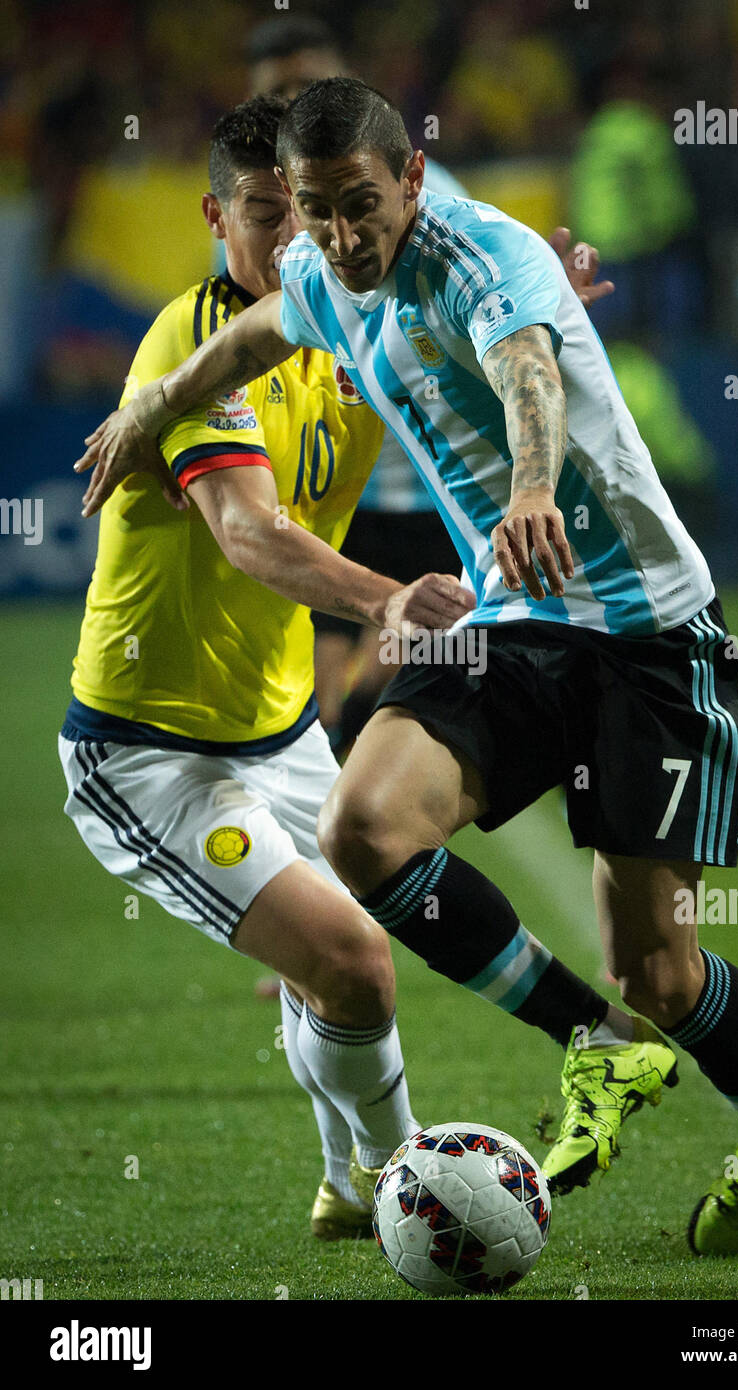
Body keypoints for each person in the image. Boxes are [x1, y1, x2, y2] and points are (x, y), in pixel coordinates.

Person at [75, 79, 738, 1257]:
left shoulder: (483, 256)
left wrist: (533, 482)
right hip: (519, 620)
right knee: (362, 829)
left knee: (660, 971)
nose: (338, 236)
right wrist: (149, 408)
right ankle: (596, 1045)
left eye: (359, 206)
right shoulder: (327, 278)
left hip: (647, 632)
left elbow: (527, 367)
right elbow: (257, 330)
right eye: (317, 212)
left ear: (414, 181)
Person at [59, 94, 477, 1241]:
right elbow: (248, 534)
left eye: (308, 213)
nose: (293, 238)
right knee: (356, 960)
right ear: (213, 214)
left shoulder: (342, 318)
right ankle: (418, 1192)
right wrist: (386, 598)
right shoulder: (188, 351)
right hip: (148, 756)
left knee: (331, 974)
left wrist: (546, 308)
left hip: (279, 729)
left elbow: (452, 271)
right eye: (260, 214)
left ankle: (351, 1191)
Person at [243, 11, 468, 756]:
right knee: (319, 701)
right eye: (279, 89)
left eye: (309, 84)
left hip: (433, 481)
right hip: (330, 489)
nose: (295, 101)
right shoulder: (254, 217)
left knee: (403, 674)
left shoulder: (423, 192)